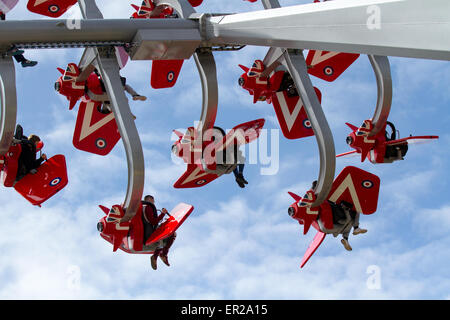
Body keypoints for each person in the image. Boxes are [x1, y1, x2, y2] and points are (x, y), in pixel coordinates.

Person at [141, 195, 176, 270]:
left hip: (146, 232)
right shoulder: (148, 207)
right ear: (150, 199)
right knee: (170, 233)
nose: (154, 203)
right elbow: (153, 221)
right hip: (150, 233)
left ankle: (162, 254)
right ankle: (160, 255)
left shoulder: (142, 207)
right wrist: (163, 213)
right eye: (153, 201)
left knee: (171, 234)